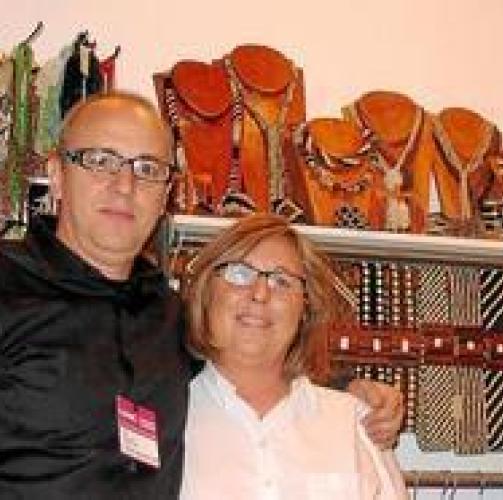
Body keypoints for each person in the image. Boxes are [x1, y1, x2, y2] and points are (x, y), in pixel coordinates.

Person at [0, 92, 403, 498]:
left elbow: (251, 352)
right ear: (57, 174)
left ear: (166, 194)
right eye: (101, 160)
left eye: (147, 168)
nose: (125, 185)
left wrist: (352, 388)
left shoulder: (168, 316)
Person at [180, 213, 408, 499]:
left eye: (282, 281)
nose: (260, 293)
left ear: (305, 309)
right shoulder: (167, 420)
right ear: (206, 293)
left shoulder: (353, 423)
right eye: (239, 274)